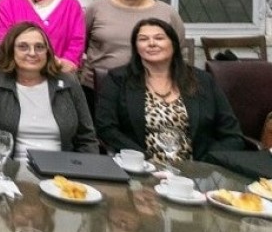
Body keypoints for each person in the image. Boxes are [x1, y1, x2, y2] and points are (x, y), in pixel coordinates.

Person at [96, 18, 244, 164]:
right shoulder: (118, 79)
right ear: (136, 47)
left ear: (174, 44)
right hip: (142, 169)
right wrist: (144, 160)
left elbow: (232, 134)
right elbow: (107, 128)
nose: (151, 43)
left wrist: (206, 164)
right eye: (143, 39)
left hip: (198, 172)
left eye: (159, 38)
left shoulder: (203, 81)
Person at [0, 22, 96, 157]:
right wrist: (6, 167)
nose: (32, 53)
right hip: (11, 169)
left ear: (48, 52)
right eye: (23, 47)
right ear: (11, 51)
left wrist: (84, 172)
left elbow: (86, 137)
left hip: (62, 171)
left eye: (39, 47)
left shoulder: (69, 82)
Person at [82, 0, 185, 88]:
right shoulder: (96, 8)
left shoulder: (167, 13)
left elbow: (178, 48)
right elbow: (81, 43)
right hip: (98, 86)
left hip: (151, 87)